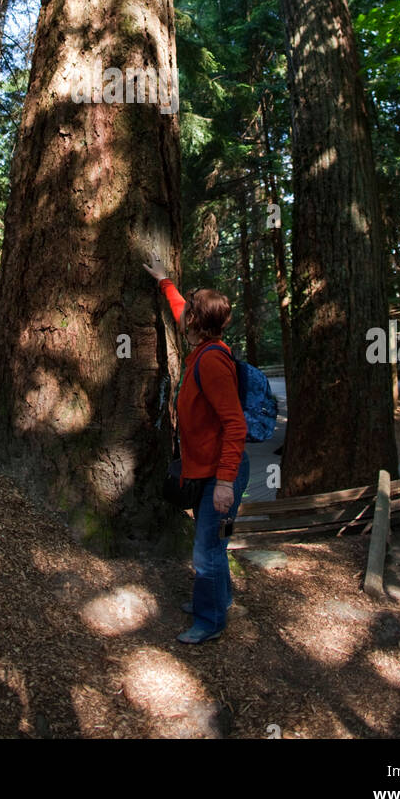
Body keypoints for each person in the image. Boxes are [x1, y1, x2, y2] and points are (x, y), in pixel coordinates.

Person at [143, 252, 249, 645]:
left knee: (207, 550)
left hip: (224, 472)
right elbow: (181, 308)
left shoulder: (212, 363)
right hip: (209, 469)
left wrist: (224, 483)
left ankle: (210, 620)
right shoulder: (203, 347)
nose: (184, 315)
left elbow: (234, 424)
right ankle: (218, 599)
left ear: (197, 324)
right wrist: (163, 280)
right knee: (210, 545)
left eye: (191, 313)